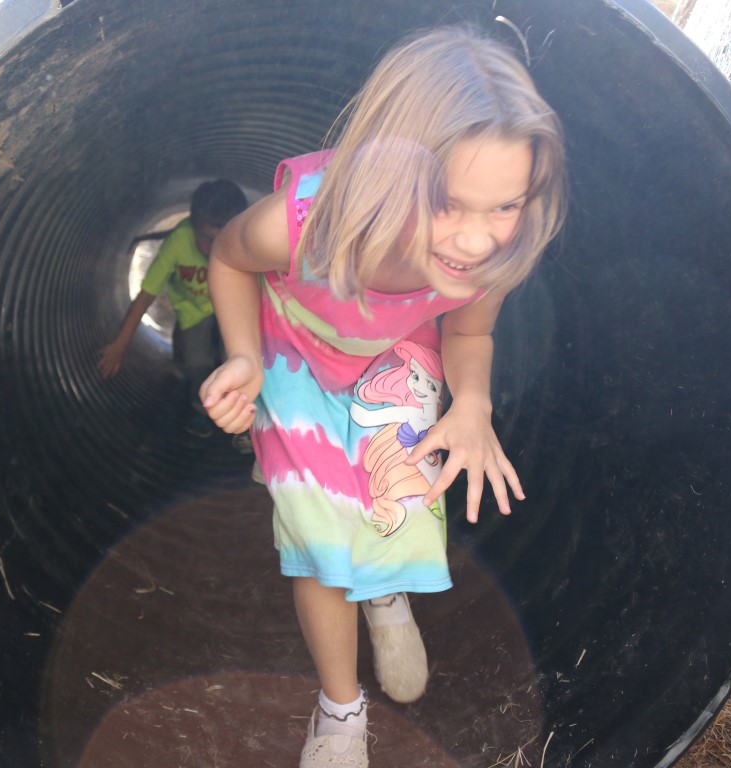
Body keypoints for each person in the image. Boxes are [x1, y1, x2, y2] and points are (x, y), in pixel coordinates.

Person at [199, 25, 566, 767]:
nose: (476, 240)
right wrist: (243, 356)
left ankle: (384, 591)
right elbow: (229, 259)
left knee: (395, 499)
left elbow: (468, 332)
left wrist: (472, 405)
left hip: (392, 354)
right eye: (450, 204)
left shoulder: (497, 253)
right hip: (296, 347)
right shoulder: (303, 221)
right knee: (319, 530)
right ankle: (340, 710)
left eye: (505, 206)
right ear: (390, 172)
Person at [96, 179, 249, 445]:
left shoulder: (247, 242)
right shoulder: (179, 241)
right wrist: (120, 344)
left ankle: (247, 417)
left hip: (234, 306)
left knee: (239, 356)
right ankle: (203, 410)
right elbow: (145, 297)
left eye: (221, 239)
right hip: (192, 309)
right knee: (197, 362)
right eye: (205, 239)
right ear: (193, 226)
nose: (213, 248)